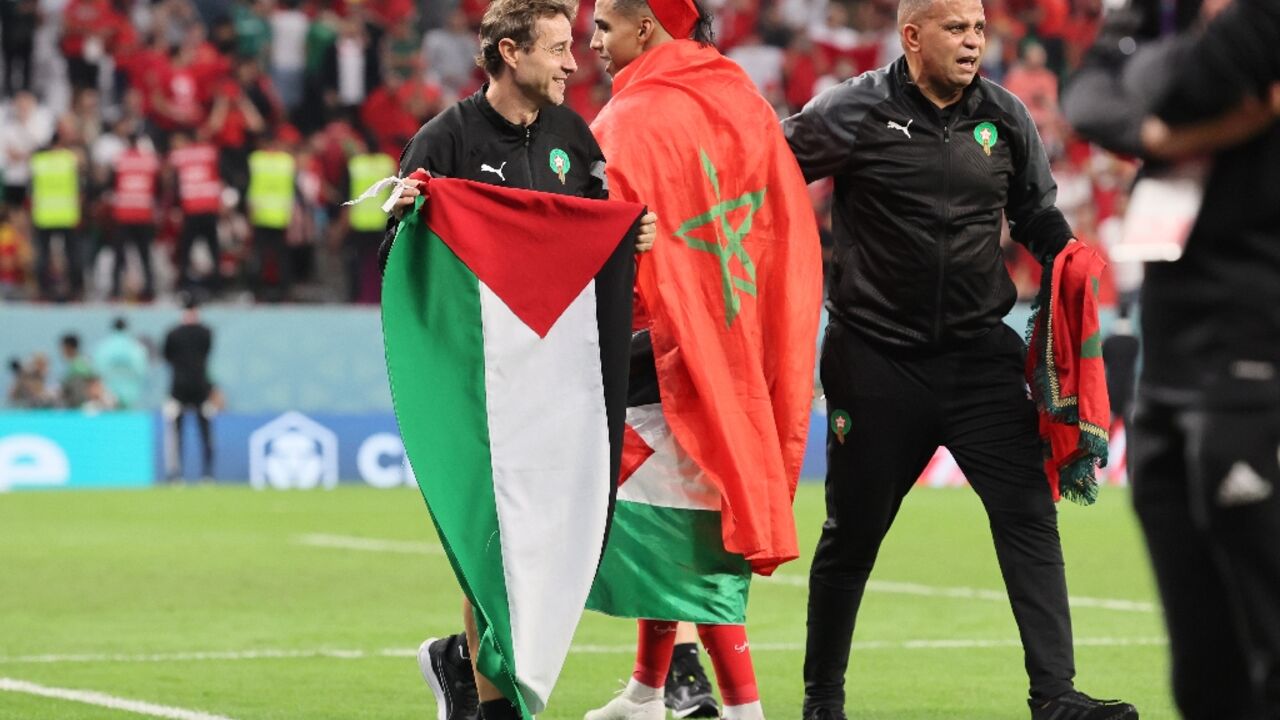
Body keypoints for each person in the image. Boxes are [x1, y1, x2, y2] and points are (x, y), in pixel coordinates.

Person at [779, 1, 1139, 718]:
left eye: (978, 28)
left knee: (1029, 515)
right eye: (957, 29)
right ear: (913, 37)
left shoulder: (1004, 115)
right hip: (875, 359)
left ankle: (1056, 697)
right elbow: (769, 177)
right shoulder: (851, 110)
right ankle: (823, 701)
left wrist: (1067, 259)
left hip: (979, 357)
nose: (975, 41)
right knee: (851, 534)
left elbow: (1036, 213)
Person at [377, 2, 657, 718]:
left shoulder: (574, 136)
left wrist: (632, 235)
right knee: (494, 537)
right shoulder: (445, 140)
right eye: (559, 49)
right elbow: (399, 265)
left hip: (558, 379)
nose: (574, 62)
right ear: (509, 52)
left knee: (542, 540)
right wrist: (412, 217)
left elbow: (594, 237)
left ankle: (459, 666)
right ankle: (501, 705)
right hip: (482, 382)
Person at [581, 0, 822, 718]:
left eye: (603, 26)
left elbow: (604, 244)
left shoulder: (630, 119)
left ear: (645, 27)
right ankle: (647, 691)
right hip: (734, 334)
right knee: (677, 522)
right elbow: (780, 226)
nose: (592, 41)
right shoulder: (740, 100)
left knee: (691, 536)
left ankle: (745, 709)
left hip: (661, 349)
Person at [1063, 0, 1280, 716]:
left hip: (1254, 350)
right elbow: (1087, 95)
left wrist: (1151, 106)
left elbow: (1176, 81)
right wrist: (1164, 133)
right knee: (1201, 666)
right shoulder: (1163, 12)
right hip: (1171, 366)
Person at [162, 297, 216, 482]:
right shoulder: (206, 332)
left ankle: (177, 475)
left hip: (180, 389)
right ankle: (206, 474)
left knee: (178, 434)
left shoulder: (174, 333)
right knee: (204, 433)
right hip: (199, 388)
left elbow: (167, 356)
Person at [107, 132, 160, 300]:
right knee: (145, 255)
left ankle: (115, 290)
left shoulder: (119, 160)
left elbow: (111, 184)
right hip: (143, 213)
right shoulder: (149, 160)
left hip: (124, 214)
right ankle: (150, 289)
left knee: (119, 255)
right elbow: (158, 187)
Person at [92, 316, 149, 411]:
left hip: (108, 394)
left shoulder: (103, 347)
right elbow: (141, 370)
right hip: (130, 393)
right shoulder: (136, 347)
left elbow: (97, 371)